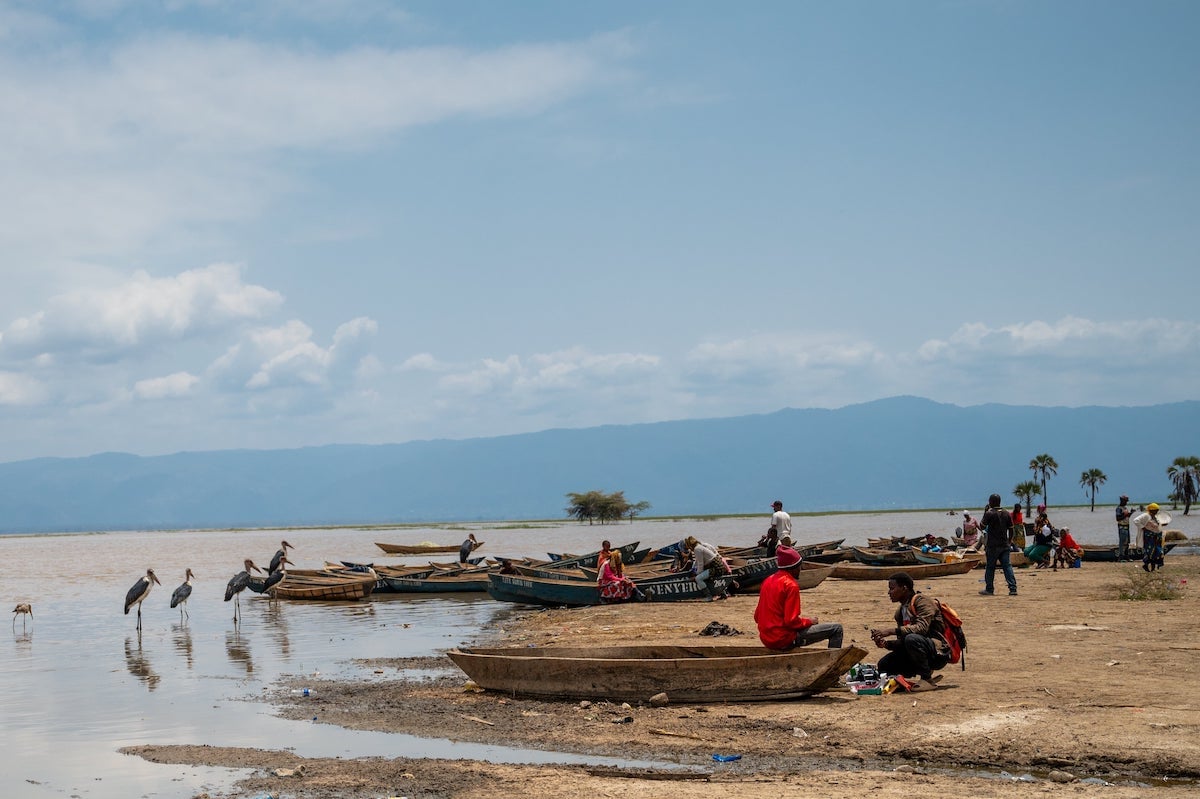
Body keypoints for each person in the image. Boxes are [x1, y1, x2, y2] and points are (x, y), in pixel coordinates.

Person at [754, 545, 844, 649]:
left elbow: (757, 617)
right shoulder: (790, 585)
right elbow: (791, 622)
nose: (800, 569)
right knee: (837, 629)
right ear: (793, 567)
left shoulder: (768, 581)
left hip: (766, 639)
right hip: (783, 639)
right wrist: (810, 621)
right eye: (799, 566)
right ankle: (834, 662)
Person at [870, 571, 950, 685]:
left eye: (892, 588)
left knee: (912, 639)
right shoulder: (900, 612)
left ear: (904, 588)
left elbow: (922, 628)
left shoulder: (922, 601)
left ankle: (927, 679)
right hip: (915, 650)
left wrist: (890, 631)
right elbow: (903, 642)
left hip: (937, 654)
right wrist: (886, 644)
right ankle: (904, 681)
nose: (889, 592)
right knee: (884, 665)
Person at [979, 493, 1017, 596]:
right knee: (1007, 566)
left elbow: (982, 526)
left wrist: (985, 512)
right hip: (1004, 545)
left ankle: (989, 589)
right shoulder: (1006, 513)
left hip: (992, 546)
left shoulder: (989, 513)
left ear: (991, 502)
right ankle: (1013, 588)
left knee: (990, 567)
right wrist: (1009, 541)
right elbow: (1011, 529)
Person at [684, 535, 731, 600]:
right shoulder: (699, 547)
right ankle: (723, 594)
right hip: (718, 565)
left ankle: (708, 596)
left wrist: (697, 575)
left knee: (698, 579)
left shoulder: (697, 549)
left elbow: (700, 564)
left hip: (715, 567)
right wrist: (693, 569)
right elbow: (697, 561)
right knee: (707, 578)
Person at [1131, 503, 1167, 572]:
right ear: (1151, 510)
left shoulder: (1154, 517)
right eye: (1155, 510)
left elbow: (1156, 525)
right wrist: (1143, 527)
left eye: (1157, 510)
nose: (1156, 512)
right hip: (1149, 537)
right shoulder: (1146, 515)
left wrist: (1162, 524)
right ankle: (1147, 565)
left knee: (1158, 552)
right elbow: (1136, 520)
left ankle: (1153, 568)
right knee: (1150, 552)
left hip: (1157, 537)